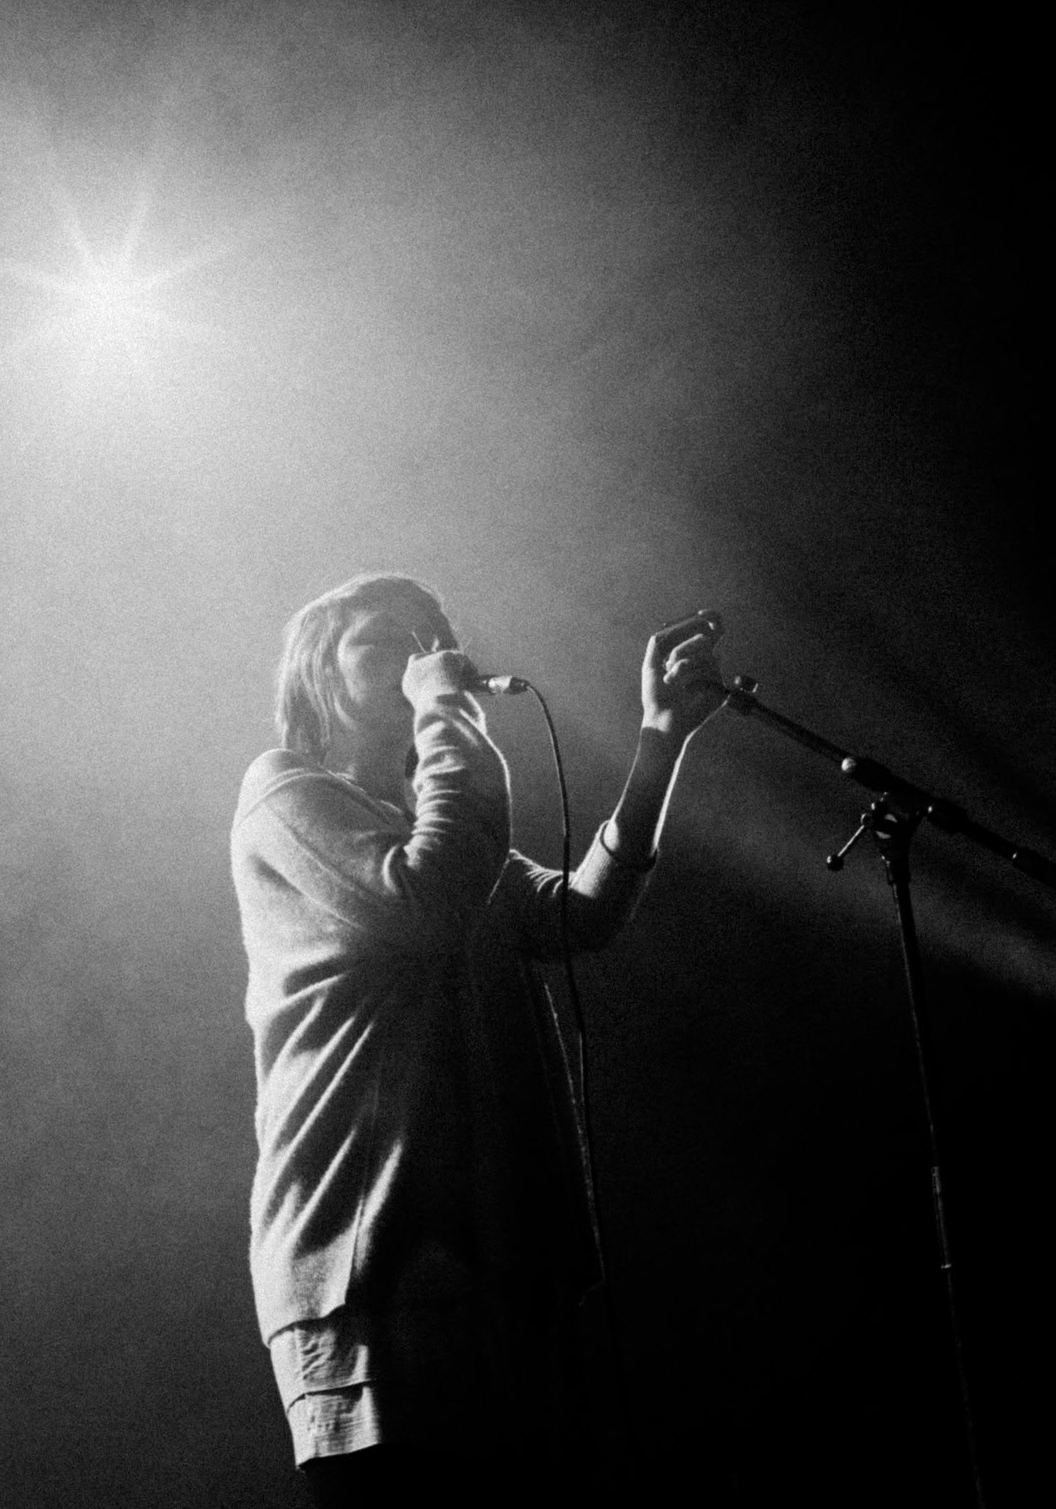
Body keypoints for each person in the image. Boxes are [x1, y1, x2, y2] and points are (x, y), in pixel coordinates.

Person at [230, 573, 724, 1504]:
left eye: (433, 640)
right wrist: (449, 713)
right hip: (369, 1258)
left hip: (492, 1263)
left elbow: (582, 913)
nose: (421, 657)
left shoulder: (442, 830)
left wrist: (659, 743)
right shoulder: (287, 794)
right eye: (385, 640)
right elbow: (432, 893)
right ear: (318, 674)